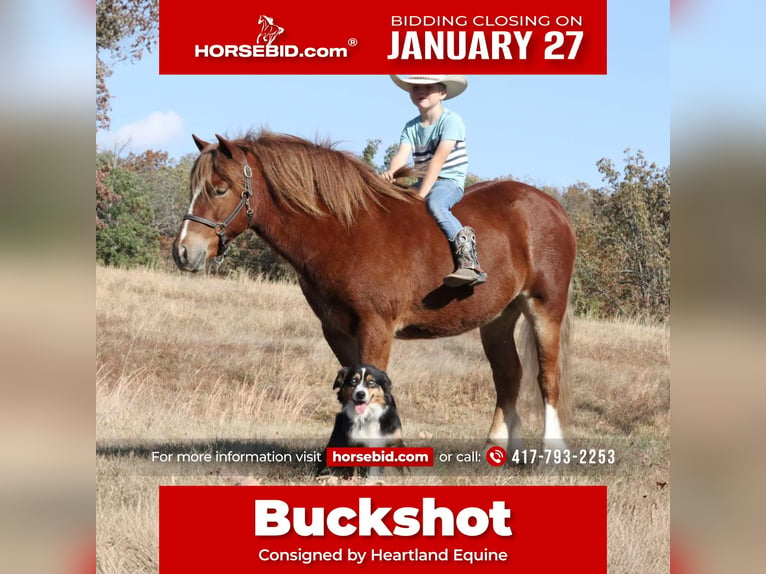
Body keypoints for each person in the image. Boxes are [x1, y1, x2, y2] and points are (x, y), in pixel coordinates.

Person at [381, 74, 486, 287]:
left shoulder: (451, 121)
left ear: (442, 93)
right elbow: (401, 156)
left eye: (428, 88)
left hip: (448, 181)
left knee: (436, 205)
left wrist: (419, 195)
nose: (421, 92)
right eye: (416, 88)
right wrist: (390, 173)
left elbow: (438, 161)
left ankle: (469, 262)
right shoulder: (411, 127)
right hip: (423, 180)